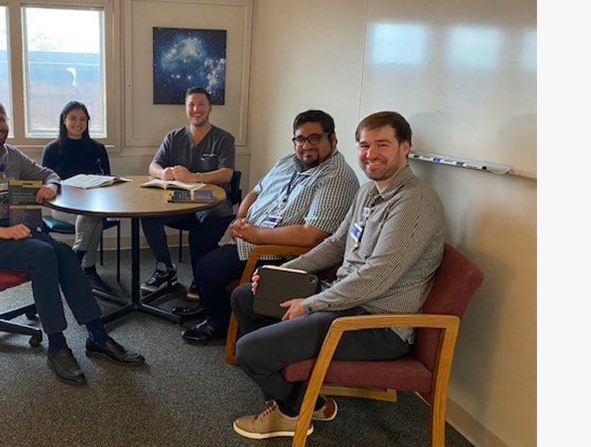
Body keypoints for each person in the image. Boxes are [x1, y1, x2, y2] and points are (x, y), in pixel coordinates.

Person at [229, 111, 446, 440]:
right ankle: (303, 400)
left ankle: (291, 411)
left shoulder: (414, 203)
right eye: (364, 145)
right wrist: (282, 271)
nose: (371, 154)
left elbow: (375, 278)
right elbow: (336, 244)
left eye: (382, 145)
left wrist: (311, 304)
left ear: (405, 148)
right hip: (344, 300)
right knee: (246, 297)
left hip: (376, 323)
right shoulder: (368, 192)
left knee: (249, 351)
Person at [0, 97, 144, 387]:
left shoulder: (11, 154)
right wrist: (1, 232)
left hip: (14, 230)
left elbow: (49, 173)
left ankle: (97, 336)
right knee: (43, 254)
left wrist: (50, 185)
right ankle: (57, 346)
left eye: (2, 120)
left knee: (63, 252)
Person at [180, 109, 360, 344]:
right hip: (252, 227)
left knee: (209, 268)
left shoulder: (337, 178)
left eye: (314, 138)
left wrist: (257, 235)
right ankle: (209, 303)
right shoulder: (288, 162)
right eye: (300, 139)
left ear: (333, 139)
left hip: (277, 248)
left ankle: (217, 322)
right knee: (199, 236)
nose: (306, 146)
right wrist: (240, 218)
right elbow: (256, 192)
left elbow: (312, 235)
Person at [140, 87, 237, 299]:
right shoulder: (173, 137)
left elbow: (227, 174)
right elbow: (153, 166)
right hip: (180, 199)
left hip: (210, 199)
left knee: (211, 218)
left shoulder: (223, 138)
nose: (196, 109)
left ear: (210, 108)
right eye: (191, 104)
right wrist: (162, 173)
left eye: (201, 104)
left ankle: (202, 276)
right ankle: (165, 268)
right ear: (185, 108)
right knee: (148, 215)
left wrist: (195, 177)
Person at [41, 101, 113, 293]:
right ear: (64, 121)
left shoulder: (97, 148)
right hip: (63, 207)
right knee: (94, 218)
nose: (78, 123)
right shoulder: (52, 149)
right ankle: (87, 268)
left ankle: (77, 259)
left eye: (82, 119)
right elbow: (44, 182)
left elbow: (107, 178)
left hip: (93, 204)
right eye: (73, 118)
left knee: (92, 215)